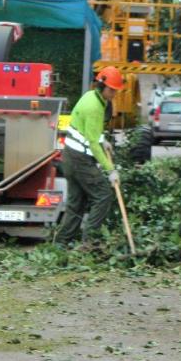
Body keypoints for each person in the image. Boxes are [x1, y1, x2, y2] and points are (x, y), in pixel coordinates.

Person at [54, 66, 124, 247]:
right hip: (79, 160)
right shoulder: (95, 107)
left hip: (69, 156)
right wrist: (111, 170)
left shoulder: (91, 96)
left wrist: (102, 139)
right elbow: (92, 144)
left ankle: (61, 243)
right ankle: (89, 240)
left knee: (76, 202)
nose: (114, 94)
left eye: (116, 90)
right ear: (102, 86)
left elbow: (88, 129)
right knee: (103, 195)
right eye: (112, 90)